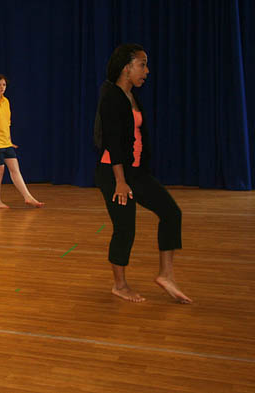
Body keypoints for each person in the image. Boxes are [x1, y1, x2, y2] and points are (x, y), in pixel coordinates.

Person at [93, 43, 192, 304]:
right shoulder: (111, 95)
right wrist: (121, 181)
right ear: (126, 67)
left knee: (171, 213)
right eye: (142, 64)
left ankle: (166, 274)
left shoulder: (131, 96)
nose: (146, 70)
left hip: (135, 171)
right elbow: (113, 141)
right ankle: (119, 285)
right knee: (125, 229)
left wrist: (135, 172)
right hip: (114, 174)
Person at [0, 74, 44, 208]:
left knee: (15, 169)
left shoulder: (6, 101)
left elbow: (7, 123)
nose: (2, 88)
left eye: (4, 85)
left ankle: (28, 197)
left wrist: (9, 140)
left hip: (5, 142)